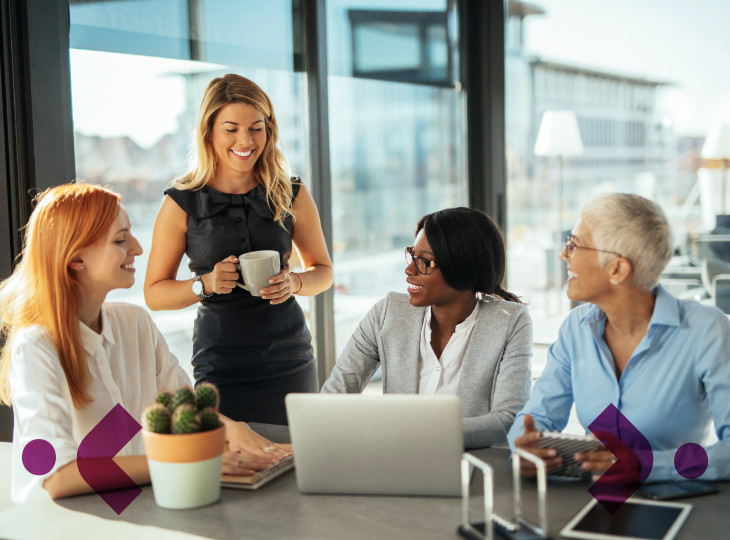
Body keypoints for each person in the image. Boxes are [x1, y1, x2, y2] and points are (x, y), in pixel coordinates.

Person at [0, 183, 289, 503]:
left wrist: (230, 431)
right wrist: (186, 463)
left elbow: (184, 409)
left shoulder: (134, 323)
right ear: (77, 259)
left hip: (134, 511)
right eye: (121, 240)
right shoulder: (35, 348)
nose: (138, 248)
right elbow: (56, 477)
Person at [144, 74, 333, 425]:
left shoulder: (291, 192)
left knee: (298, 462)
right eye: (231, 129)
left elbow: (323, 270)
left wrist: (296, 283)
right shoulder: (181, 203)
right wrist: (205, 284)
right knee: (232, 468)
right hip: (221, 366)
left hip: (290, 359)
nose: (245, 140)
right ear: (209, 132)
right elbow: (154, 294)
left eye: (256, 128)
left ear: (269, 130)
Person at [508, 193, 730, 483]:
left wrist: (645, 465)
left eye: (573, 245)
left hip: (680, 504)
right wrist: (522, 449)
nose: (564, 255)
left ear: (617, 269)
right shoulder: (576, 328)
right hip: (594, 501)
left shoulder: (706, 330)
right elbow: (537, 417)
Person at [321, 207, 533, 449]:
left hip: (472, 469)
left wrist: (410, 435)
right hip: (396, 464)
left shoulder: (510, 321)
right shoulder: (388, 313)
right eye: (412, 255)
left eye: (424, 262)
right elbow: (333, 398)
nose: (409, 270)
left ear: (462, 265)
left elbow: (507, 420)